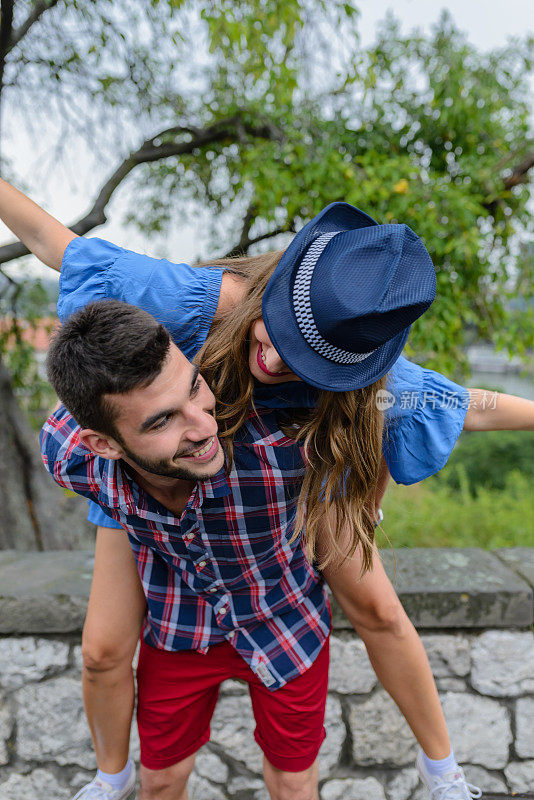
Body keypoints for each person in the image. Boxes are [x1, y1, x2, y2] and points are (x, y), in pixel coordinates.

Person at [4, 179, 532, 799]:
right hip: (156, 468)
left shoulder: (370, 377)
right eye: (277, 330)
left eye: (308, 358)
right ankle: (110, 776)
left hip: (274, 491)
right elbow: (52, 241)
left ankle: (444, 773)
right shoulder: (200, 303)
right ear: (274, 293)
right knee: (102, 648)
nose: (277, 360)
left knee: (379, 609)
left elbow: (476, 406)